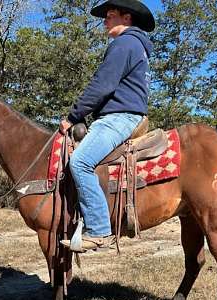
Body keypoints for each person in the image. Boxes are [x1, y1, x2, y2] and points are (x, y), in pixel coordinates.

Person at [60, 0, 154, 252]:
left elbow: (103, 85)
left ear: (127, 18)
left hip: (118, 117)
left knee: (79, 162)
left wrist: (73, 116)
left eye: (110, 16)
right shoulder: (138, 46)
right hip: (128, 115)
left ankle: (99, 229)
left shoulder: (124, 43)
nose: (105, 21)